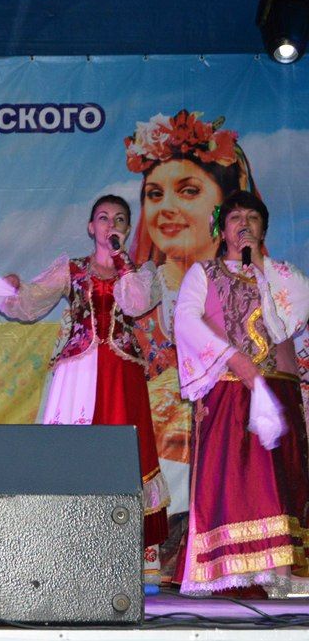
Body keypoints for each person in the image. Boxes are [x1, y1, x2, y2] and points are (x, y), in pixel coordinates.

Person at [0, 195, 169, 581]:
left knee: (132, 452)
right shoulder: (72, 269)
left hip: (122, 373)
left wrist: (122, 259)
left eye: (119, 219)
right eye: (103, 218)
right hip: (78, 373)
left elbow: (136, 304)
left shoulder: (141, 273)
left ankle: (142, 551)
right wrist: (13, 289)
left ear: (127, 228)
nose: (110, 224)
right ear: (91, 227)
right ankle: (72, 548)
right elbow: (32, 301)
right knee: (76, 452)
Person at [124, 110, 262, 578]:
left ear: (223, 210)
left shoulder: (259, 281)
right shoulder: (137, 288)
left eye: (187, 191)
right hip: (164, 449)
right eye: (154, 194)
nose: (166, 208)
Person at [173, 191, 309, 597]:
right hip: (229, 390)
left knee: (280, 483)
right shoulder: (203, 272)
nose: (244, 224)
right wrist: (232, 357)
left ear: (263, 229)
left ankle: (284, 575)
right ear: (222, 229)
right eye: (235, 218)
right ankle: (230, 572)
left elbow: (291, 322)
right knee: (237, 482)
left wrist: (261, 270)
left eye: (252, 217)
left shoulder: (282, 276)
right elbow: (185, 319)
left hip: (278, 390)